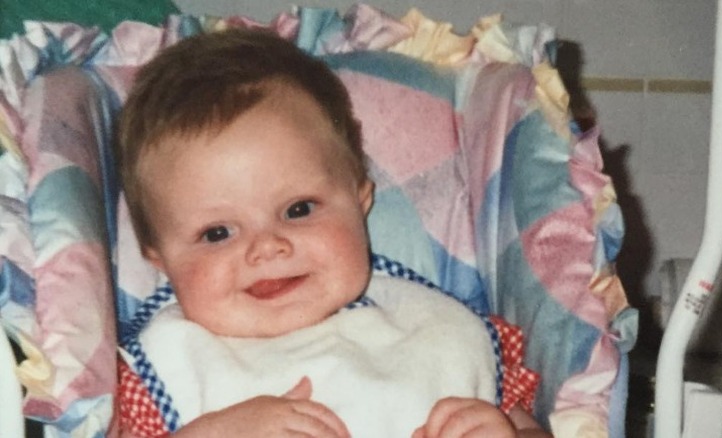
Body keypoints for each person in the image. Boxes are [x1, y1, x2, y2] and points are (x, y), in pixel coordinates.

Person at [115, 27, 551, 438]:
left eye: (298, 209)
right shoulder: (165, 369)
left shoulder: (436, 332)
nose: (267, 248)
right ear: (158, 257)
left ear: (361, 200)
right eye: (216, 233)